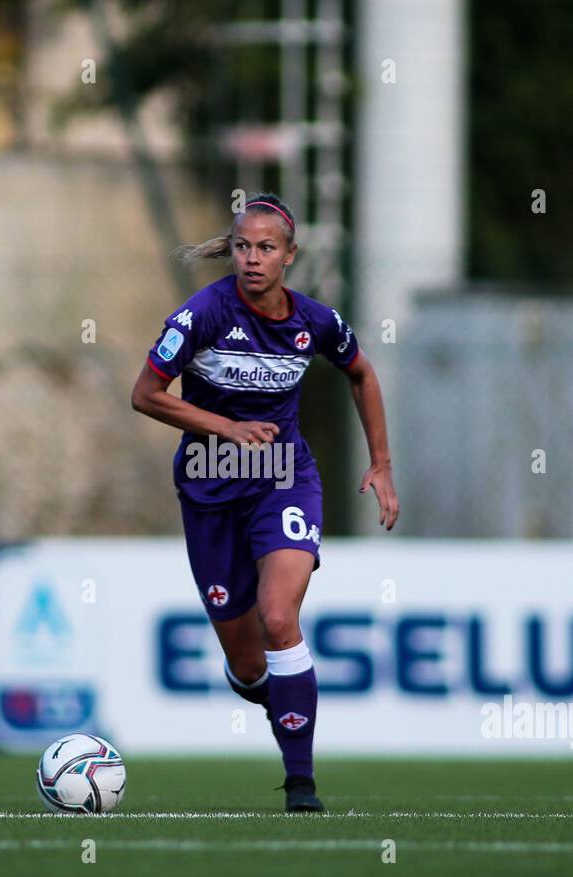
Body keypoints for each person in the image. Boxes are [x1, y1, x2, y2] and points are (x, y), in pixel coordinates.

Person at [131, 193, 399, 812]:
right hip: (208, 484)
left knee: (280, 618)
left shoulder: (316, 322)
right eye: (244, 247)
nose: (253, 259)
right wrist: (223, 428)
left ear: (290, 255)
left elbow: (361, 373)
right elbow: (145, 394)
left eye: (266, 248)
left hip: (283, 478)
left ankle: (300, 783)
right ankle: (264, 686)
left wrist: (382, 465)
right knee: (251, 667)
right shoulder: (201, 314)